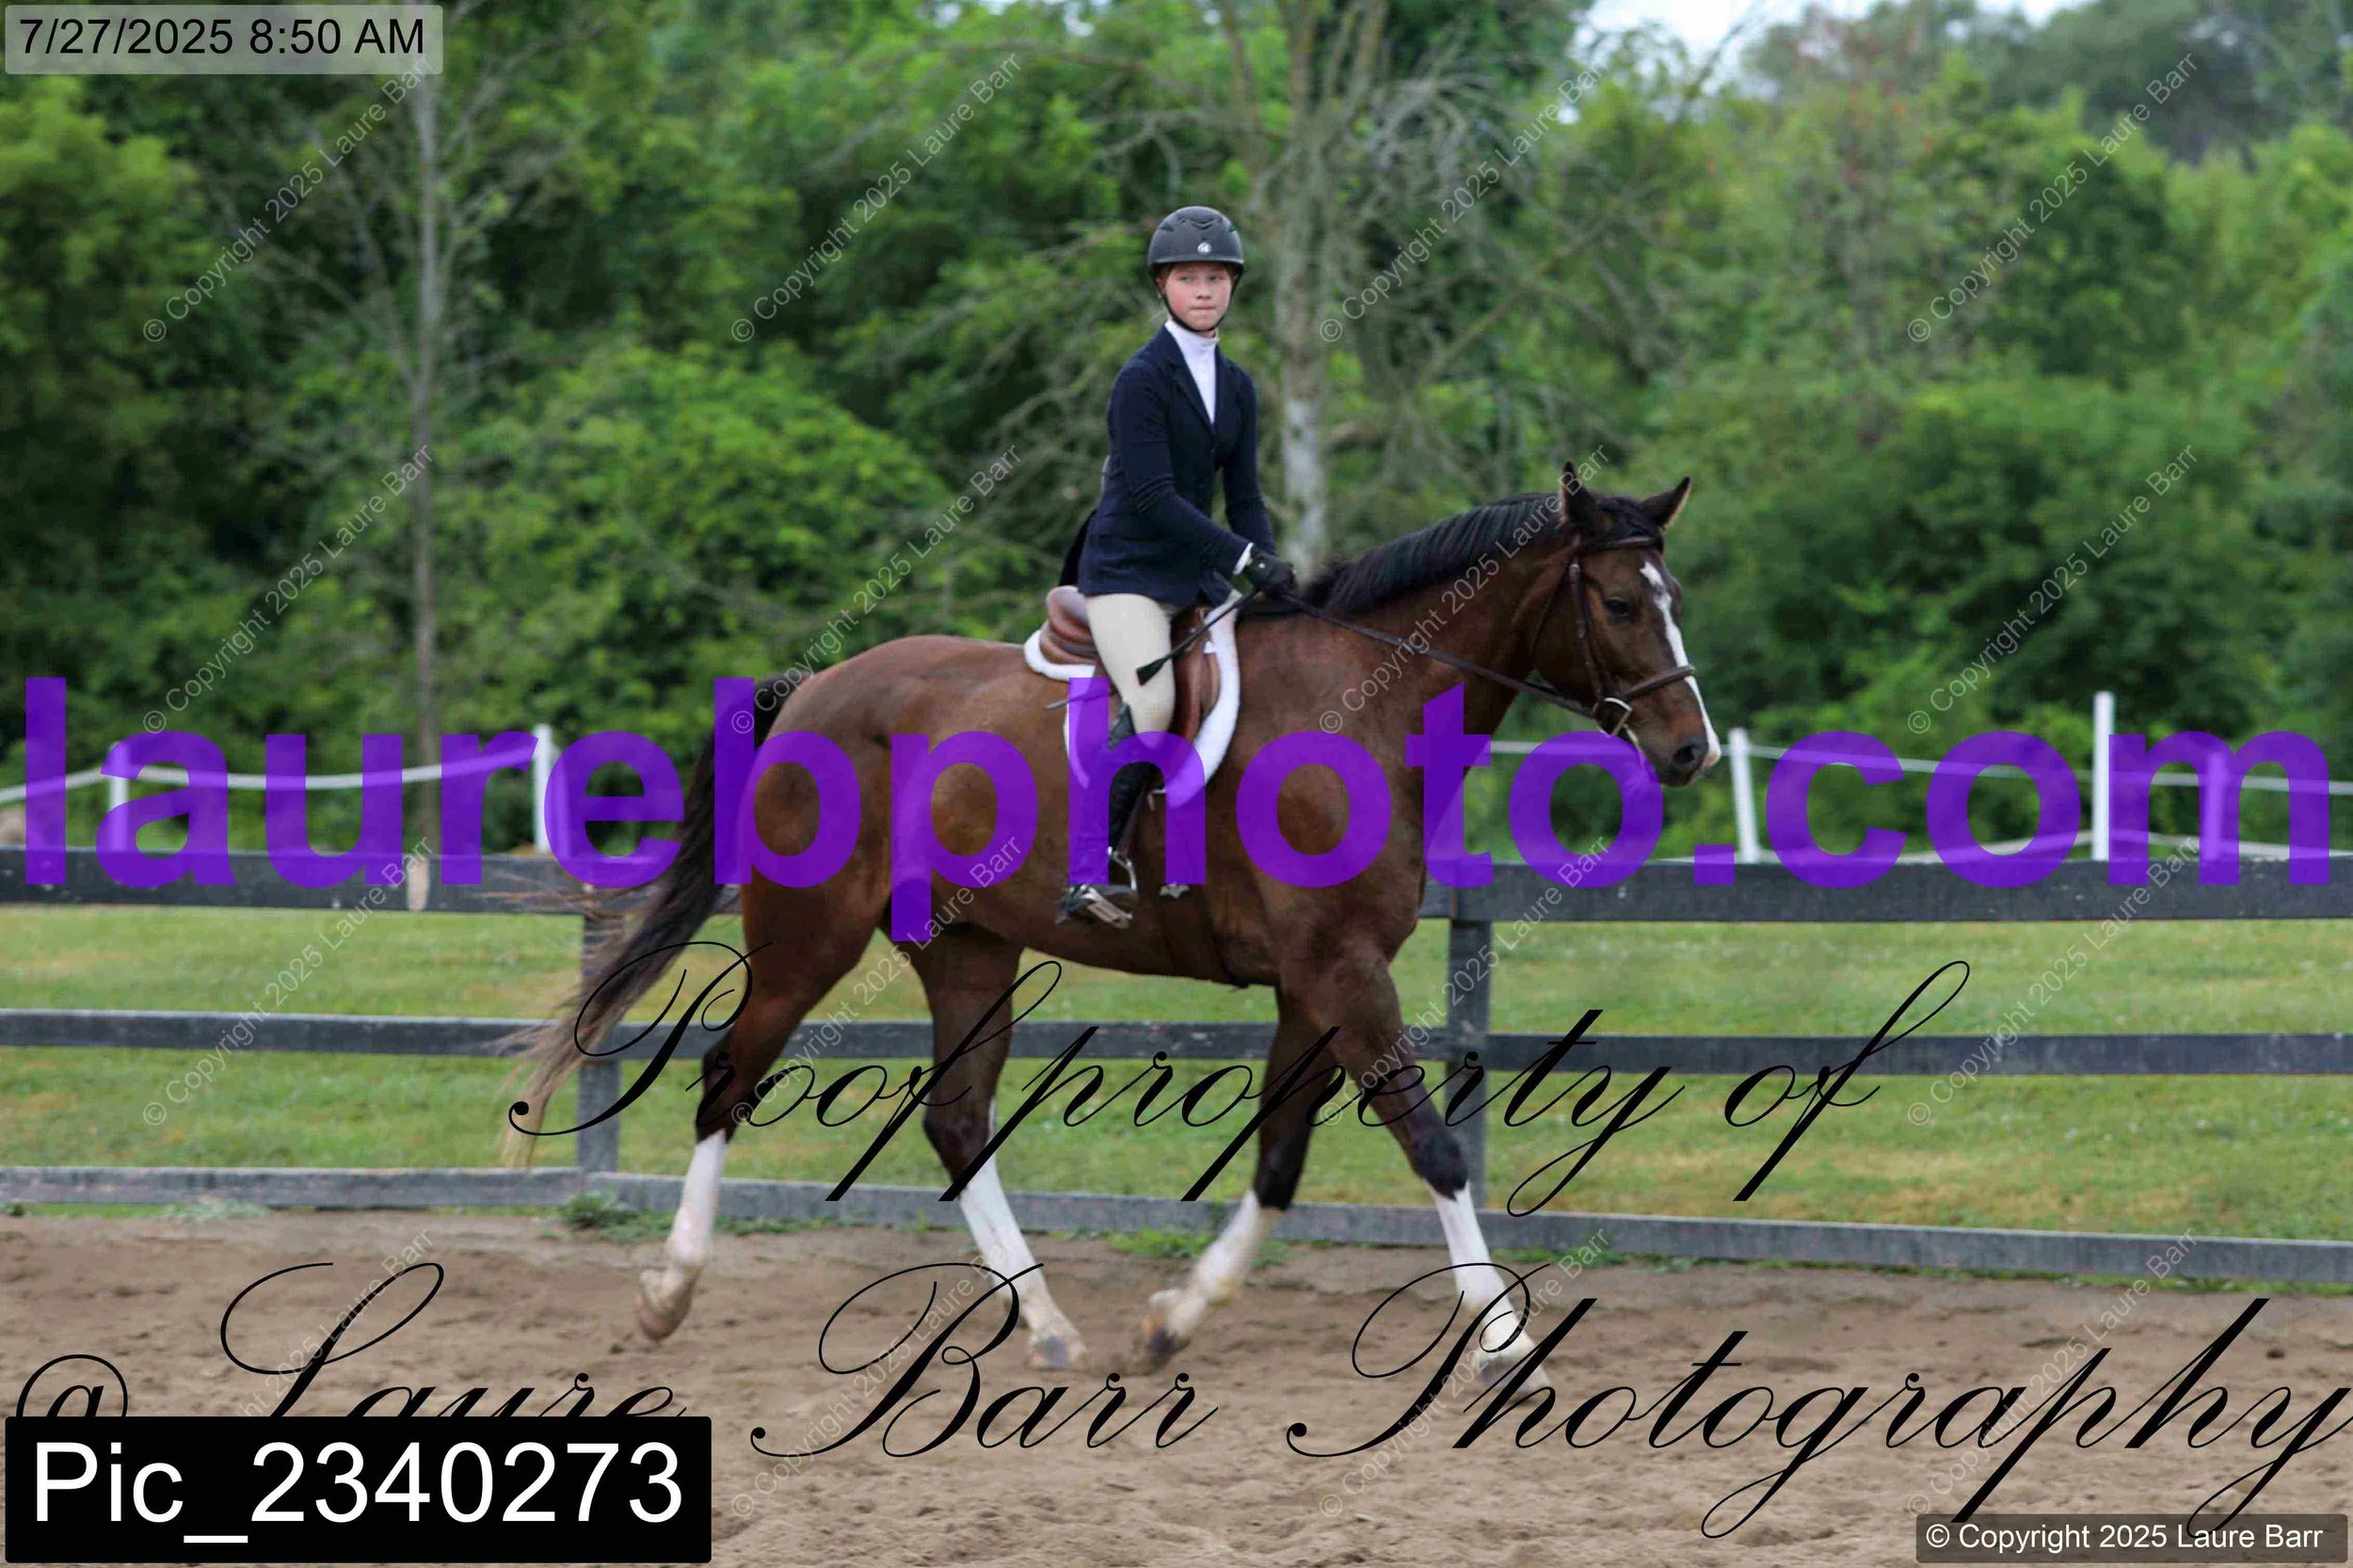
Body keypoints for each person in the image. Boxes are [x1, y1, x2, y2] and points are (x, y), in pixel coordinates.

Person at [1055, 205, 1299, 926]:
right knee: (1156, 704)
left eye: (1216, 278)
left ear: (1232, 287)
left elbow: (1244, 497)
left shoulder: (1239, 386)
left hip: (1197, 575)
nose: (1204, 290)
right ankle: (1088, 863)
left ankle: (1204, 857)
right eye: (1189, 278)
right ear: (1162, 286)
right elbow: (1154, 497)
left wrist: (1271, 568)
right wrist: (1242, 557)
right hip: (1128, 572)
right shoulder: (1142, 379)